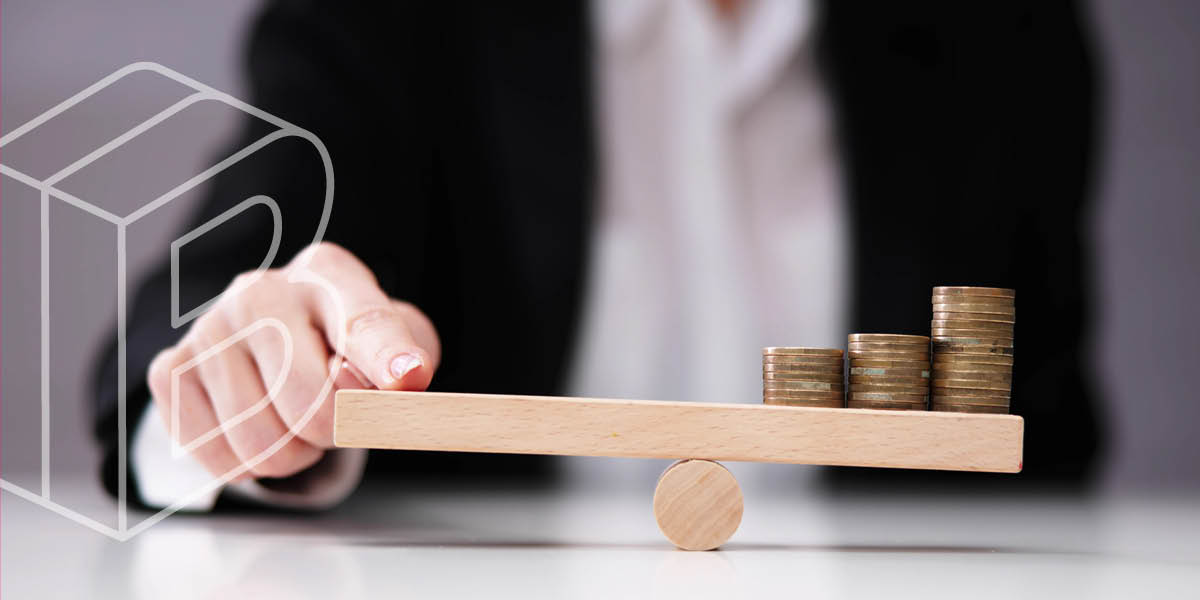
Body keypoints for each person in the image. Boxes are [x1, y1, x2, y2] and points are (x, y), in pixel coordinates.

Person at [92, 0, 1105, 510]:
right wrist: (246, 383)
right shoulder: (393, 20)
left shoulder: (1009, 41)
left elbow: (1046, 435)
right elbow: (193, 316)